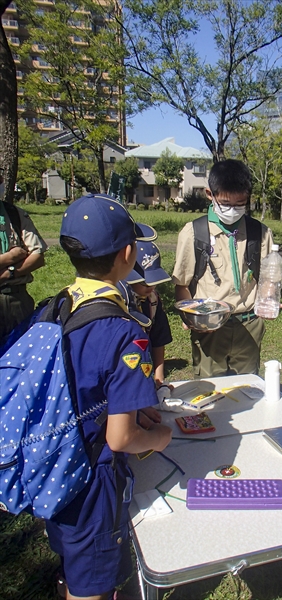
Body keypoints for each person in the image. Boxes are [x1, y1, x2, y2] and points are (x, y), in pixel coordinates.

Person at [45, 193, 172, 600]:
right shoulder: (125, 333)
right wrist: (158, 438)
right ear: (129, 254)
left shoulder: (55, 307)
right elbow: (121, 439)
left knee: (71, 563)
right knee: (92, 586)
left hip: (53, 462)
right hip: (91, 479)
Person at [172, 159, 273, 378]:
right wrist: (189, 317)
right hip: (210, 328)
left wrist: (269, 299)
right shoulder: (193, 233)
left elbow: (267, 280)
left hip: (249, 324)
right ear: (210, 194)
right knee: (211, 394)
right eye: (226, 203)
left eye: (240, 204)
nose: (233, 210)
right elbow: (181, 285)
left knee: (247, 389)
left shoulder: (260, 232)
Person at [119, 231, 173, 388]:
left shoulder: (153, 300)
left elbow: (158, 338)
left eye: (154, 281)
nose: (151, 288)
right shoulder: (119, 302)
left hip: (145, 363)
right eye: (144, 283)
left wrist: (159, 375)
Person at [0, 170, 47, 341]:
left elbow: (37, 256)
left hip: (16, 301)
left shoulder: (14, 214)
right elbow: (21, 255)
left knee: (20, 354)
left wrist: (9, 272)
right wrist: (10, 257)